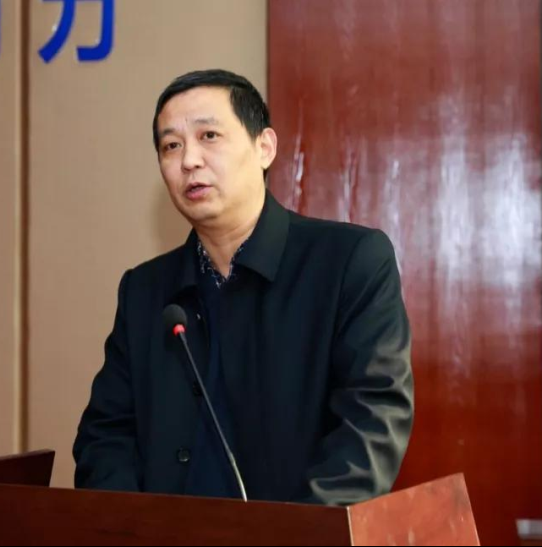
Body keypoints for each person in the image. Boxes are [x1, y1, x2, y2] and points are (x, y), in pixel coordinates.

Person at [72, 69, 413, 505]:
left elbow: (372, 426)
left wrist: (293, 533)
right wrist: (132, 527)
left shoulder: (349, 262)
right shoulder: (145, 290)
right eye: (171, 146)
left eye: (209, 136)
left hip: (294, 532)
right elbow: (105, 435)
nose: (189, 160)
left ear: (264, 147)